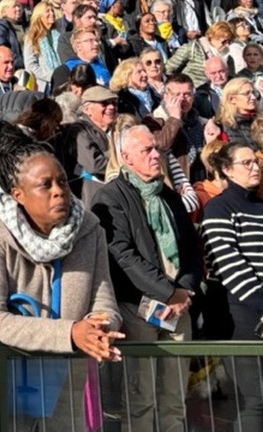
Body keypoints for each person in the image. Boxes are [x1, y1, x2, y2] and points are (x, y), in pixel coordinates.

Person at [0, 122, 123, 430]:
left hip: (69, 378)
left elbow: (105, 299)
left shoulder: (90, 228)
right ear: (18, 195)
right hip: (8, 378)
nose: (59, 192)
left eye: (62, 182)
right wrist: (70, 334)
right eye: (46, 185)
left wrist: (101, 326)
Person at [92, 126, 202, 432]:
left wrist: (185, 291)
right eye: (147, 151)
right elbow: (122, 255)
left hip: (180, 308)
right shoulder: (110, 197)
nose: (156, 155)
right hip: (139, 307)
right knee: (141, 398)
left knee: (175, 396)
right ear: (126, 158)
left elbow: (192, 247)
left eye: (157, 149)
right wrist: (168, 292)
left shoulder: (168, 194)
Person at [202, 143, 263, 432]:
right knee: (255, 400)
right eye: (246, 163)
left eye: (256, 161)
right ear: (227, 170)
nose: (255, 167)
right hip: (240, 315)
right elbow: (230, 268)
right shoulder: (218, 207)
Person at [214, 77, 263, 149]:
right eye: (247, 94)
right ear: (232, 99)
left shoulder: (260, 119)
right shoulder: (222, 126)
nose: (253, 97)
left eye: (253, 92)